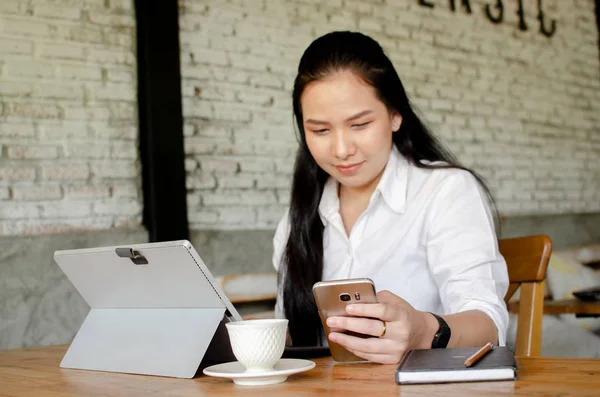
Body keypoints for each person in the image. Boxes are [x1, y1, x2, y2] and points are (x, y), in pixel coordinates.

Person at [272, 31, 509, 365]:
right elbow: (295, 336)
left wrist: (425, 330)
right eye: (320, 130)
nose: (341, 150)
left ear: (395, 115)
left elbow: (489, 325)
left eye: (360, 124)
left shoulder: (445, 191)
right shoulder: (297, 218)